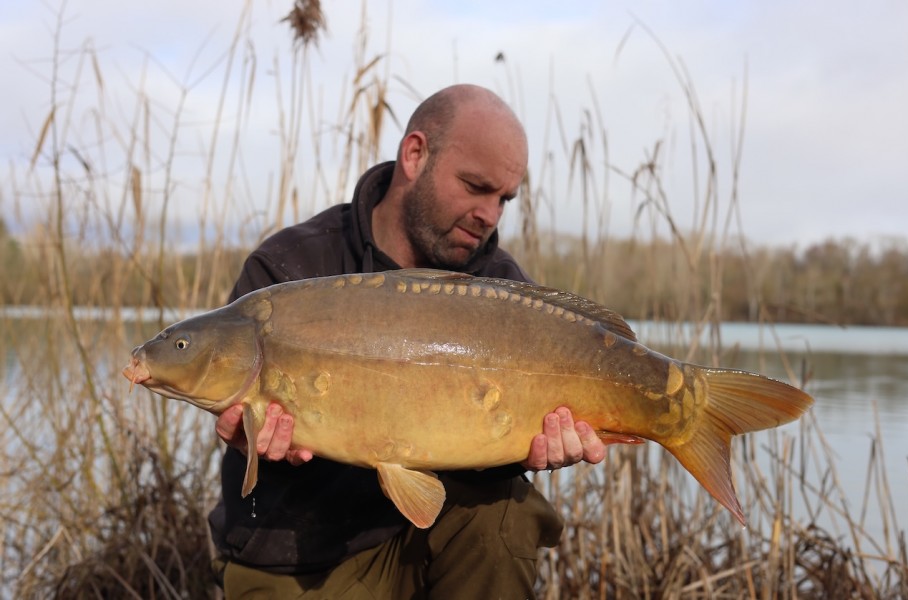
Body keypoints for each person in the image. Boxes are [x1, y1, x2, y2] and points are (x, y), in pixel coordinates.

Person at [208, 84, 608, 599]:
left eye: (503, 199)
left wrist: (538, 447)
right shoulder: (289, 269)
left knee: (506, 511)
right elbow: (226, 390)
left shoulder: (505, 295)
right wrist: (250, 439)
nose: (490, 215)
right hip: (293, 564)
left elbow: (499, 445)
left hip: (418, 547)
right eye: (474, 186)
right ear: (415, 154)